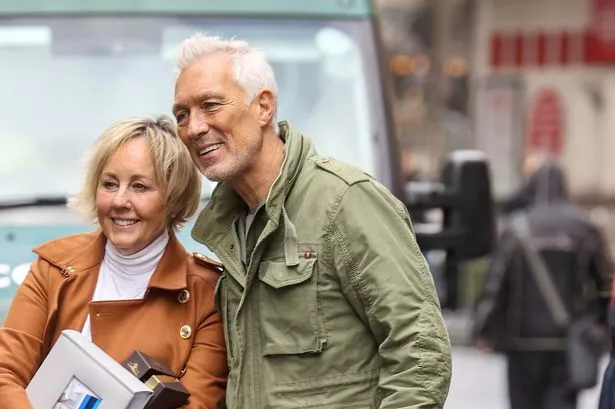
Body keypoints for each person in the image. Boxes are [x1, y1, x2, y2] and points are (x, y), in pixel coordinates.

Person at [172, 34, 452, 408]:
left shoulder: (345, 200)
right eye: (182, 115)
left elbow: (420, 352)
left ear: (263, 107)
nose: (194, 127)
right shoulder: (228, 225)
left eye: (210, 105)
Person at [0, 115, 228, 408]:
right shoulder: (54, 266)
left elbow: (197, 404)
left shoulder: (206, 294)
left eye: (140, 187)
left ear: (173, 198)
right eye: (109, 184)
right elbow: (6, 373)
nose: (119, 201)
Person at [474, 160, 612, 409]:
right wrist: (601, 325)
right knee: (562, 402)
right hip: (566, 339)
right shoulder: (583, 227)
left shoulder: (517, 227)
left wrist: (484, 329)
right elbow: (604, 281)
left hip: (523, 340)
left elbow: (496, 284)